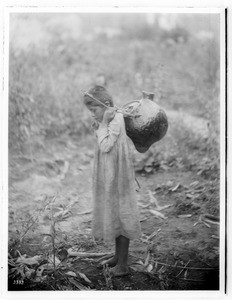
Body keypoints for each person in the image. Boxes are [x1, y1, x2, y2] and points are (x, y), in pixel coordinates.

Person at [83, 85, 141, 277]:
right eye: (90, 111)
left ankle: (123, 265)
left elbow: (106, 145)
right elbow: (104, 138)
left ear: (106, 105)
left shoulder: (115, 120)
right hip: (110, 173)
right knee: (116, 214)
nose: (92, 114)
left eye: (94, 110)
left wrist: (101, 125)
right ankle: (117, 257)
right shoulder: (110, 117)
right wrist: (100, 123)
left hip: (118, 176)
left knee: (122, 214)